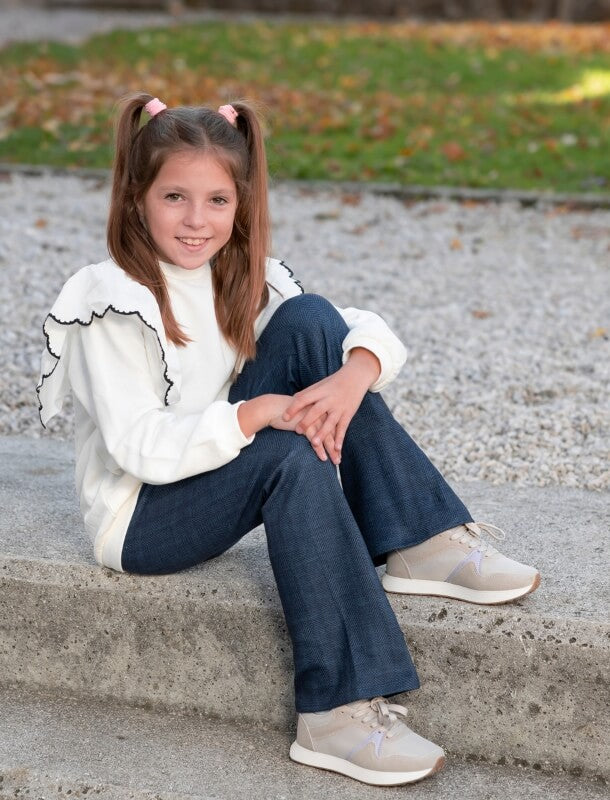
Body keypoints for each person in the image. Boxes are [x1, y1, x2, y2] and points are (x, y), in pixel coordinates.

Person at [37, 93, 540, 787]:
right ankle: (333, 713)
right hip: (141, 516)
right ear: (136, 198)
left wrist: (353, 376)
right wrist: (253, 416)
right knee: (290, 455)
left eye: (218, 200)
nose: (196, 220)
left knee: (311, 321)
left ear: (241, 203)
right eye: (175, 197)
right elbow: (139, 445)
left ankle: (420, 541)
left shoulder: (243, 274)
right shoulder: (112, 300)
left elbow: (362, 331)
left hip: (211, 462)